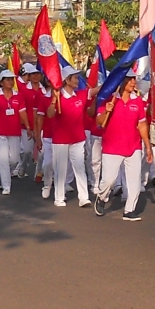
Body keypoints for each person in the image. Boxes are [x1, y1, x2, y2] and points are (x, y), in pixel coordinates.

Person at [93, 71, 153, 221]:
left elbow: (142, 124)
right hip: (112, 147)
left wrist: (147, 145)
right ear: (121, 82)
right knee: (108, 180)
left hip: (133, 147)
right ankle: (102, 197)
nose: (133, 82)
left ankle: (129, 210)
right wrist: (106, 111)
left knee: (134, 182)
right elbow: (99, 122)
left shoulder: (137, 101)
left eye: (134, 79)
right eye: (129, 80)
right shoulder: (110, 99)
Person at [45, 66, 97, 207]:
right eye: (74, 77)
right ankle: (59, 198)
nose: (77, 80)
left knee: (79, 168)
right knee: (60, 169)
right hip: (61, 140)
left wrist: (114, 80)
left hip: (78, 139)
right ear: (67, 80)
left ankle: (84, 198)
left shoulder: (80, 95)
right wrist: (54, 100)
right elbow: (49, 114)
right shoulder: (57, 96)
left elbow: (96, 90)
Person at [0, 70, 32, 195]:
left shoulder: (18, 96)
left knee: (14, 159)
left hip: (14, 131)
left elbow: (23, 112)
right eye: (7, 79)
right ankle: (6, 185)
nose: (10, 81)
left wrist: (28, 127)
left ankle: (4, 173)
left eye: (11, 79)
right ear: (2, 82)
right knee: (3, 158)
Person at [15, 63, 43, 178]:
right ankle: (22, 166)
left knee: (42, 152)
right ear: (29, 76)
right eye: (33, 74)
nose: (35, 76)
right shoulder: (24, 91)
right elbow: (21, 109)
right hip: (28, 126)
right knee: (26, 150)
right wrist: (25, 123)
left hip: (42, 126)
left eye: (37, 74)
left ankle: (39, 172)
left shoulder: (44, 90)